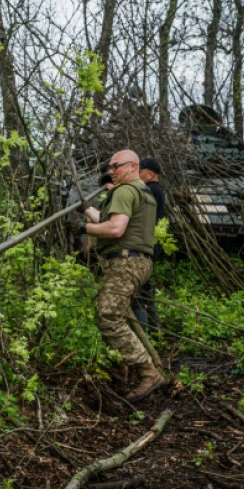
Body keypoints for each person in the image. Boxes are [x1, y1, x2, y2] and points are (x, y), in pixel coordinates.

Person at [72, 150, 167, 402]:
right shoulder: (142, 192)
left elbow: (114, 229)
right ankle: (118, 371)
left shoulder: (125, 191)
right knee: (121, 313)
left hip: (126, 261)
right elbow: (109, 220)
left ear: (133, 166)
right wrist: (88, 210)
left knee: (109, 316)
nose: (112, 171)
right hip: (138, 261)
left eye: (117, 166)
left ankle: (147, 372)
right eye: (110, 166)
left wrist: (82, 227)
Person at [132, 157, 166, 331]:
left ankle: (143, 334)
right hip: (153, 245)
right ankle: (155, 328)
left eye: (140, 172)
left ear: (150, 174)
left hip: (145, 245)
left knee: (138, 291)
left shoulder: (150, 191)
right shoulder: (158, 190)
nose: (137, 175)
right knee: (145, 286)